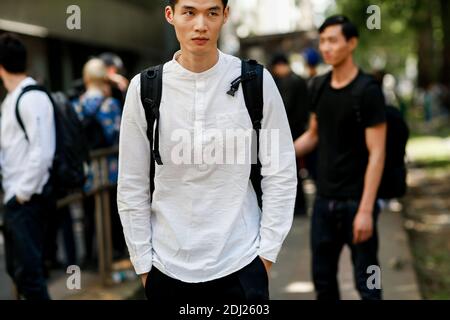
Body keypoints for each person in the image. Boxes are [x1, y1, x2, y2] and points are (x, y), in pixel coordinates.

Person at [117, 0, 297, 301]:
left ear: (225, 15)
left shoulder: (256, 80)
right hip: (166, 268)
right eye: (189, 12)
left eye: (212, 12)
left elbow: (280, 171)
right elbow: (131, 183)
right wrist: (144, 266)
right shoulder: (145, 88)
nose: (200, 24)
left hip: (241, 263)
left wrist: (265, 255)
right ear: (170, 15)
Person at [294, 15, 387, 300]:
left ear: (352, 43)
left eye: (333, 40)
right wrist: (274, 156)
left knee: (368, 285)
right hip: (323, 202)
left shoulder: (368, 91)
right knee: (323, 284)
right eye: (322, 41)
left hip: (357, 203)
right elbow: (313, 135)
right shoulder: (318, 86)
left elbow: (377, 152)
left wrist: (365, 211)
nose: (326, 47)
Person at [0, 33, 55, 300]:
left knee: (31, 276)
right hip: (17, 200)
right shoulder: (12, 99)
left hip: (27, 201)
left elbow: (42, 153)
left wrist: (20, 195)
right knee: (19, 271)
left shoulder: (31, 98)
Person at [71, 58, 122, 267]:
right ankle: (114, 251)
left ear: (85, 78)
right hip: (110, 168)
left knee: (88, 213)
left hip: (88, 169)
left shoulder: (77, 105)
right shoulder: (111, 104)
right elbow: (118, 136)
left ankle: (90, 256)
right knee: (112, 211)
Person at [270, 53, 309, 215]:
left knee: (288, 170)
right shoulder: (297, 80)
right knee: (290, 170)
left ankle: (296, 205)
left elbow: (284, 108)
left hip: (290, 132)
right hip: (295, 131)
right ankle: (297, 205)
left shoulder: (289, 82)